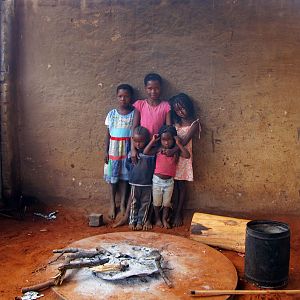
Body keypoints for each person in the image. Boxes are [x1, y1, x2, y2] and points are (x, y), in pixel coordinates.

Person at [113, 73, 171, 227]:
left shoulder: (166, 106)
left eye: (156, 88)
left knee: (152, 186)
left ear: (161, 89)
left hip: (156, 152)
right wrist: (133, 148)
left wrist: (162, 148)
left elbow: (169, 129)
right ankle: (128, 216)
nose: (153, 91)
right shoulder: (140, 104)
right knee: (136, 185)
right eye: (150, 88)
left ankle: (149, 218)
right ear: (145, 89)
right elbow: (134, 126)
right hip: (139, 151)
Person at [144, 125, 190, 229]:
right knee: (156, 202)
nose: (166, 142)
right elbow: (145, 152)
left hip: (169, 182)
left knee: (166, 203)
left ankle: (164, 219)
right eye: (164, 140)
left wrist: (178, 144)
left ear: (174, 138)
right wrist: (153, 141)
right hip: (157, 181)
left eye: (169, 139)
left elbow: (187, 155)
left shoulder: (175, 152)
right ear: (160, 140)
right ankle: (157, 219)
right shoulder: (158, 149)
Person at [104, 84, 135, 220]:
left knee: (125, 178)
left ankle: (123, 203)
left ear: (131, 97)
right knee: (113, 177)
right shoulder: (112, 114)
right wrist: (105, 151)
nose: (123, 99)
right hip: (114, 149)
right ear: (117, 97)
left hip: (127, 148)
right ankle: (112, 203)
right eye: (120, 96)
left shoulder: (134, 113)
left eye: (126, 96)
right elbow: (107, 135)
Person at [169, 93, 201, 227]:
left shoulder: (194, 123)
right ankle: (172, 210)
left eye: (182, 108)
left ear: (188, 106)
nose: (180, 112)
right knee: (173, 186)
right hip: (175, 158)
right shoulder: (176, 123)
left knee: (181, 186)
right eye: (177, 110)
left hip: (184, 158)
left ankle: (178, 213)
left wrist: (171, 151)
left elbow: (184, 140)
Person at [126, 126, 155, 231]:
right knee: (134, 202)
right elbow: (128, 166)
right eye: (136, 141)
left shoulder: (151, 153)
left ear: (147, 140)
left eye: (141, 141)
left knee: (145, 203)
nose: (138, 144)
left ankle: (140, 221)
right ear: (133, 140)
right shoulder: (132, 153)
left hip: (147, 184)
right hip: (135, 183)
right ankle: (132, 220)